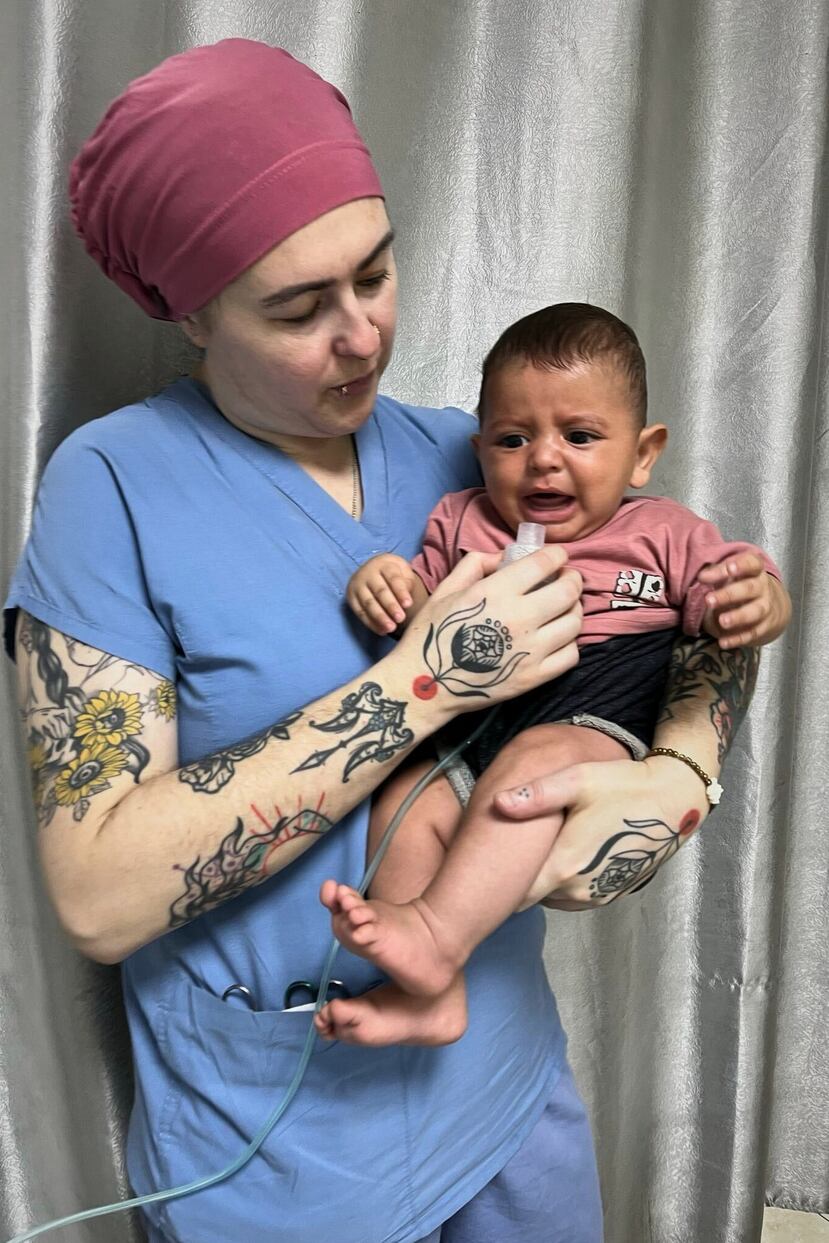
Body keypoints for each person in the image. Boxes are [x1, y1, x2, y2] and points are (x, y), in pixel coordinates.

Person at [2, 39, 764, 1243]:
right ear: (189, 312)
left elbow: (684, 608)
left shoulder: (479, 452)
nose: (361, 335)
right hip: (263, 1142)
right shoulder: (113, 487)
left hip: (503, 1091)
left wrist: (682, 766)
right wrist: (425, 678)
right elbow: (98, 896)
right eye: (301, 307)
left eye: (375, 273)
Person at [315, 302, 791, 1048]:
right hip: (475, 711)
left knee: (528, 780)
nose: (542, 458)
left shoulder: (659, 530)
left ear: (640, 453)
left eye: (579, 436)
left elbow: (726, 584)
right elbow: (417, 609)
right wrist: (385, 583)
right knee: (406, 796)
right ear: (479, 450)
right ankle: (428, 991)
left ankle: (438, 934)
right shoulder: (460, 518)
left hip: (594, 702)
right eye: (512, 438)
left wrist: (758, 596)